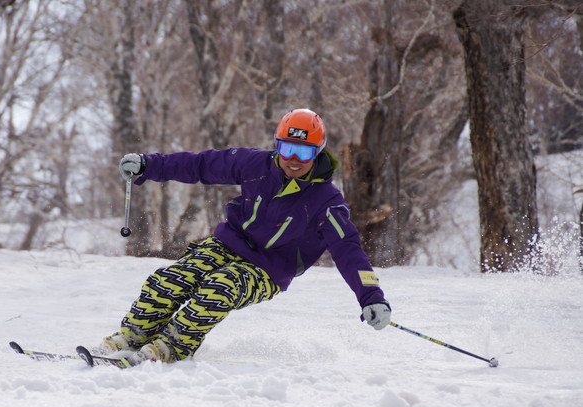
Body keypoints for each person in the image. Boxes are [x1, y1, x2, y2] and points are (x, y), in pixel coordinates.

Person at [97, 108, 391, 364]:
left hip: (268, 269)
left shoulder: (327, 202)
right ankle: (132, 336)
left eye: (303, 152)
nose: (293, 160)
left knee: (219, 287)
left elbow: (348, 249)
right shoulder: (255, 165)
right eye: (287, 148)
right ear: (277, 145)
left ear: (318, 152)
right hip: (227, 245)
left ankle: (170, 347)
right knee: (171, 279)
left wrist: (371, 297)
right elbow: (201, 165)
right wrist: (149, 165)